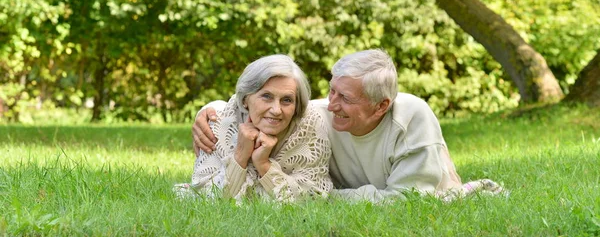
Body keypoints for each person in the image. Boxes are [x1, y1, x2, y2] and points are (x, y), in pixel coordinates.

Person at [193, 49, 504, 202]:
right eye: (331, 90)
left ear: (381, 105)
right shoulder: (322, 114)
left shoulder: (411, 118)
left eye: (345, 97)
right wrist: (209, 111)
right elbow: (265, 105)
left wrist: (325, 199)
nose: (332, 103)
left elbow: (406, 202)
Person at [176, 54, 332, 202]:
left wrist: (264, 165)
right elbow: (207, 197)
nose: (276, 110)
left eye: (287, 100)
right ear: (245, 99)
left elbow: (311, 199)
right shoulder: (218, 124)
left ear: (297, 105)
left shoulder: (310, 125)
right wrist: (240, 156)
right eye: (266, 96)